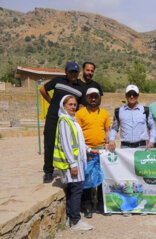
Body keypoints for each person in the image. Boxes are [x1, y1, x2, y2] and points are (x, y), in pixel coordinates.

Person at [54, 95, 98, 231]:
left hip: (77, 161)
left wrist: (89, 150)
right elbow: (67, 144)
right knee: (76, 189)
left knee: (75, 189)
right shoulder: (64, 121)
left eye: (74, 105)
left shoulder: (72, 120)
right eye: (70, 105)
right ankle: (75, 221)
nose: (73, 107)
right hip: (72, 163)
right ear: (64, 106)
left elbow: (78, 142)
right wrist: (72, 164)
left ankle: (72, 217)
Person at [39, 62, 84, 183]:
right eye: (71, 72)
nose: (73, 74)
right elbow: (42, 89)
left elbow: (81, 105)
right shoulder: (58, 80)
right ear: (66, 72)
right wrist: (51, 102)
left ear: (78, 73)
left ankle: (68, 167)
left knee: (68, 144)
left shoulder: (81, 87)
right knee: (49, 143)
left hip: (69, 120)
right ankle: (48, 171)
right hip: (53, 117)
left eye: (75, 72)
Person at [75, 88, 110, 218]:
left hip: (101, 150)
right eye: (91, 97)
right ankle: (87, 206)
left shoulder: (105, 113)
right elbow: (78, 134)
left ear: (99, 98)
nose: (93, 99)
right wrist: (86, 149)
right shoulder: (79, 114)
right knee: (87, 178)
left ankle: (101, 204)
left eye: (96, 96)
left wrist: (107, 143)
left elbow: (107, 130)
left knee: (102, 178)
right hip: (87, 151)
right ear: (87, 98)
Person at [108, 84, 156, 150]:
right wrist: (111, 140)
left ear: (138, 96)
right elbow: (114, 128)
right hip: (125, 148)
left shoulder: (145, 110)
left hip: (141, 147)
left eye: (134, 94)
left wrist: (151, 141)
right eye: (129, 94)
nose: (132, 96)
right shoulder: (119, 111)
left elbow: (152, 127)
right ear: (125, 96)